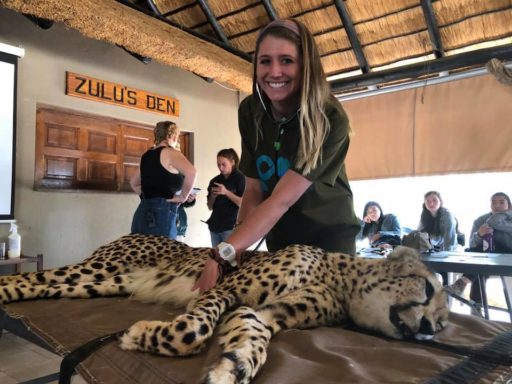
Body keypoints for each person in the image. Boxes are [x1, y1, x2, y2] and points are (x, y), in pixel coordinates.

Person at [193, 19, 360, 293]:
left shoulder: (329, 118)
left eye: (287, 61)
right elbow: (255, 189)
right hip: (281, 239)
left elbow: (281, 199)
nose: (275, 71)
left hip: (330, 241)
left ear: (306, 66)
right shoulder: (250, 111)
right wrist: (238, 249)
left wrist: (224, 251)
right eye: (265, 61)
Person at [130, 121, 196, 239]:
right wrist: (183, 197)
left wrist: (150, 197)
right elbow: (192, 172)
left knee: (142, 254)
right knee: (164, 255)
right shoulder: (170, 152)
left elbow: (134, 183)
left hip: (143, 210)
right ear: (171, 135)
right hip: (162, 213)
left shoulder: (146, 156)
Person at [449, 192, 512, 301]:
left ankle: (462, 283)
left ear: (509, 206)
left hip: (508, 257)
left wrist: (504, 214)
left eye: (501, 202)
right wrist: (479, 234)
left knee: (483, 259)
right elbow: (472, 244)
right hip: (486, 259)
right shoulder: (480, 220)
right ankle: (476, 309)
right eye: (493, 202)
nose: (497, 205)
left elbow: (496, 225)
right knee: (478, 263)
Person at [206, 149, 246, 246]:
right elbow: (210, 207)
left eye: (224, 164)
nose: (221, 168)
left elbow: (242, 203)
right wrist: (213, 196)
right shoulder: (214, 181)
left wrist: (226, 192)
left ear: (232, 162)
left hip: (231, 227)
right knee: (217, 258)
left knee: (230, 258)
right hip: (214, 226)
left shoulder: (241, 179)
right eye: (218, 164)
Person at [418, 191, 458, 285]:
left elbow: (450, 240)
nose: (431, 203)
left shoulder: (447, 215)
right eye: (428, 201)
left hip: (446, 249)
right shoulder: (425, 215)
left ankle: (445, 293)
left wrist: (446, 257)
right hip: (432, 249)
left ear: (440, 201)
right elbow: (419, 233)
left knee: (443, 270)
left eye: (434, 200)